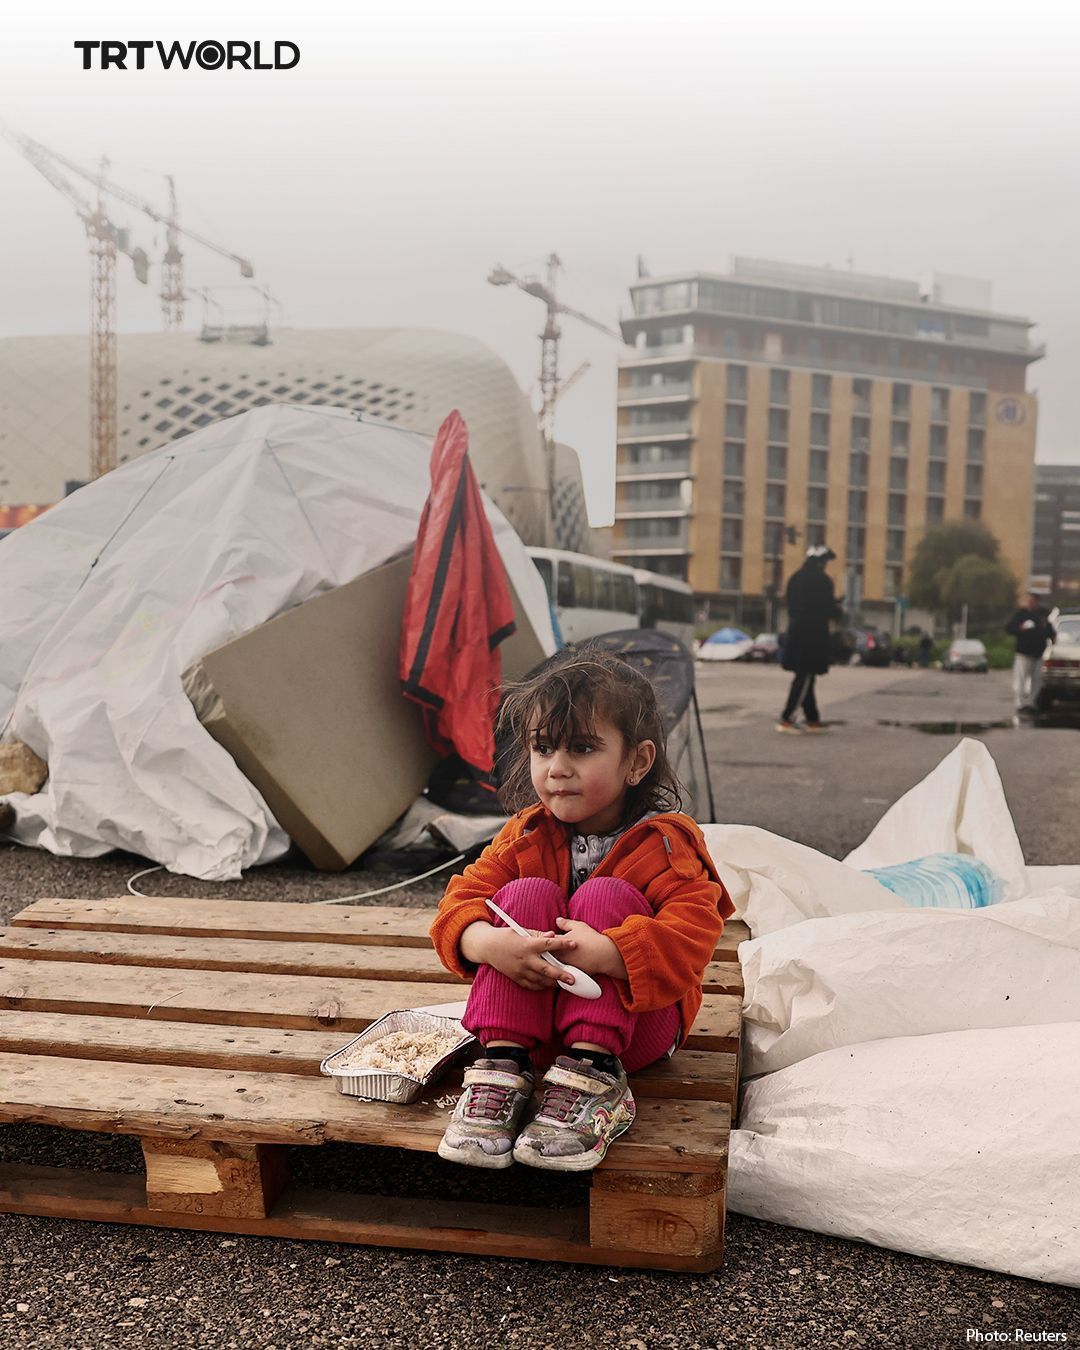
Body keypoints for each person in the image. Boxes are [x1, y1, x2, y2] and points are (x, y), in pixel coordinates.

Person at [429, 648, 732, 1172]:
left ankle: (595, 1083)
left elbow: (694, 936)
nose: (558, 768)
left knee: (604, 897)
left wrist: (612, 952)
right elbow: (458, 903)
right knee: (519, 898)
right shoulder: (526, 832)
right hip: (537, 1033)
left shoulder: (664, 845)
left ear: (637, 762)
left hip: (633, 1036)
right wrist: (485, 944)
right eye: (543, 749)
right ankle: (502, 1069)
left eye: (583, 748)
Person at [777, 545, 844, 733]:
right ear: (821, 562)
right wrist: (837, 608)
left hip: (796, 632)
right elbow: (827, 609)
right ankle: (787, 718)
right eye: (825, 562)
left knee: (807, 677)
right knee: (805, 676)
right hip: (812, 636)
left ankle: (812, 718)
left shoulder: (795, 578)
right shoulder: (822, 581)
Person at [1006, 593, 1056, 714]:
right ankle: (1020, 703)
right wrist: (1020, 628)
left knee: (1037, 680)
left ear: (1037, 602)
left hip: (1039, 653)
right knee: (1021, 679)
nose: (1031, 603)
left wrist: (1053, 638)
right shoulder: (1021, 614)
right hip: (1024, 653)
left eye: (1033, 601)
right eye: (1029, 601)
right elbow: (1009, 629)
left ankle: (1031, 703)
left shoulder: (1042, 615)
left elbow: (1049, 630)